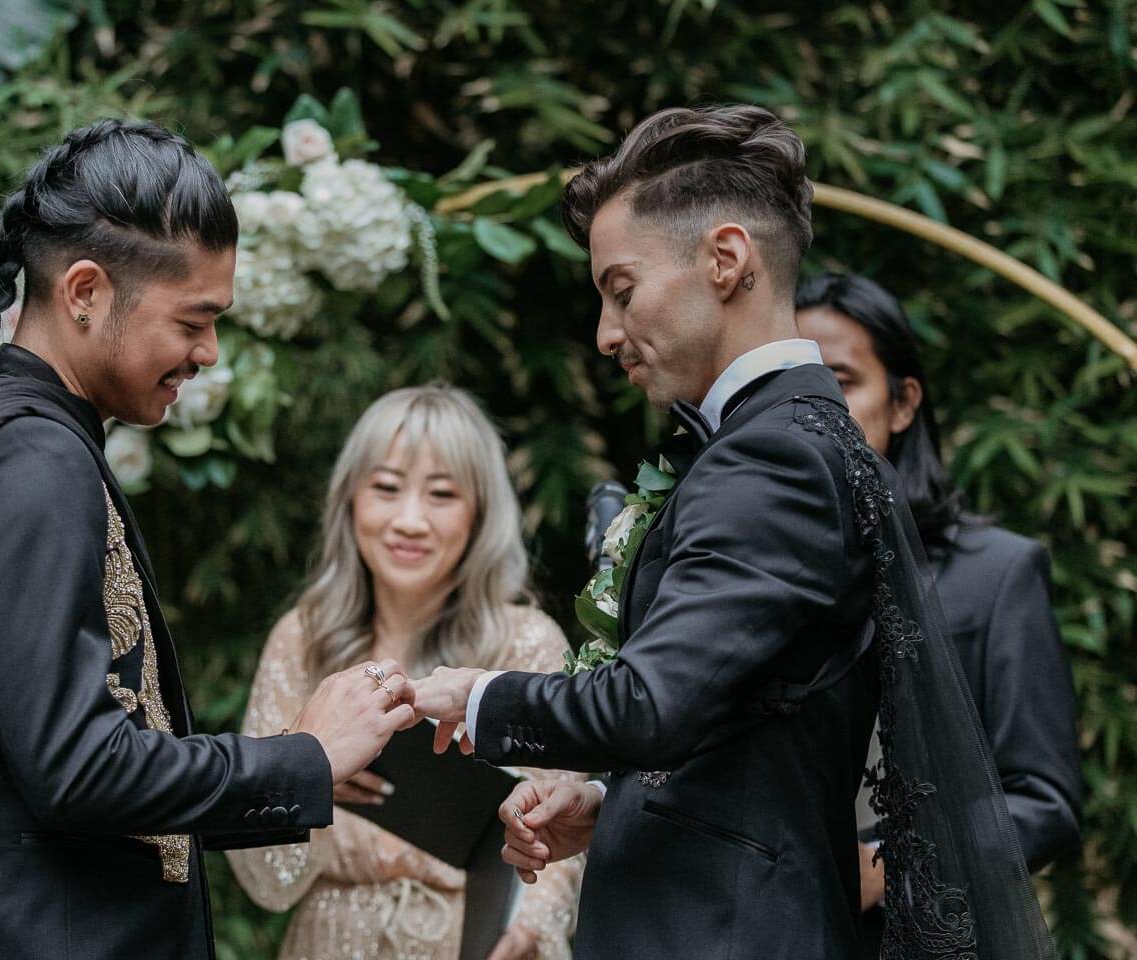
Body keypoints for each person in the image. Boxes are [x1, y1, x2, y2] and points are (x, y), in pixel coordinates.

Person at [411, 104, 1053, 959]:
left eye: (622, 291)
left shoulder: (775, 457)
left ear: (725, 259)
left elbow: (648, 703)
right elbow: (753, 739)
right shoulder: (789, 440)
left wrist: (476, 696)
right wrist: (611, 806)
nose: (606, 335)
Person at [0, 119, 417, 960]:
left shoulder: (23, 439)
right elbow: (80, 769)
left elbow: (80, 766)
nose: (209, 353)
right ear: (85, 291)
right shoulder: (30, 458)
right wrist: (301, 758)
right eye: (194, 320)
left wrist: (302, 764)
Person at [227, 384, 584, 960]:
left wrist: (529, 930)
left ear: (480, 513)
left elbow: (567, 824)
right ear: (350, 500)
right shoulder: (303, 637)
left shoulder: (527, 641)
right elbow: (263, 876)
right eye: (387, 488)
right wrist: (304, 780)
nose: (410, 520)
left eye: (441, 494)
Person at [795, 272, 1082, 954]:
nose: (814, 410)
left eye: (841, 381)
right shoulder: (748, 571)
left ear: (903, 403)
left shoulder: (996, 575)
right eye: (795, 387)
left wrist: (887, 868)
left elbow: (1044, 801)